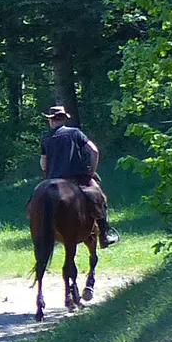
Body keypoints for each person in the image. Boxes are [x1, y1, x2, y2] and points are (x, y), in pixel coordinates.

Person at [39, 105, 119, 246]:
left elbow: (43, 164)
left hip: (52, 180)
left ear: (51, 120)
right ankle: (104, 235)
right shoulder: (75, 133)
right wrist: (91, 172)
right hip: (76, 179)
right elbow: (93, 151)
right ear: (64, 119)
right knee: (100, 197)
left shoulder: (46, 138)